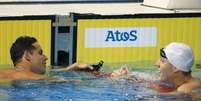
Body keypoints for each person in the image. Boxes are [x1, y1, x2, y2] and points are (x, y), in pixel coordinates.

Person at [0, 36, 91, 81]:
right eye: (40, 53)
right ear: (27, 55)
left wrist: (68, 69)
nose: (46, 57)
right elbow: (55, 80)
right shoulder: (26, 77)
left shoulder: (5, 72)